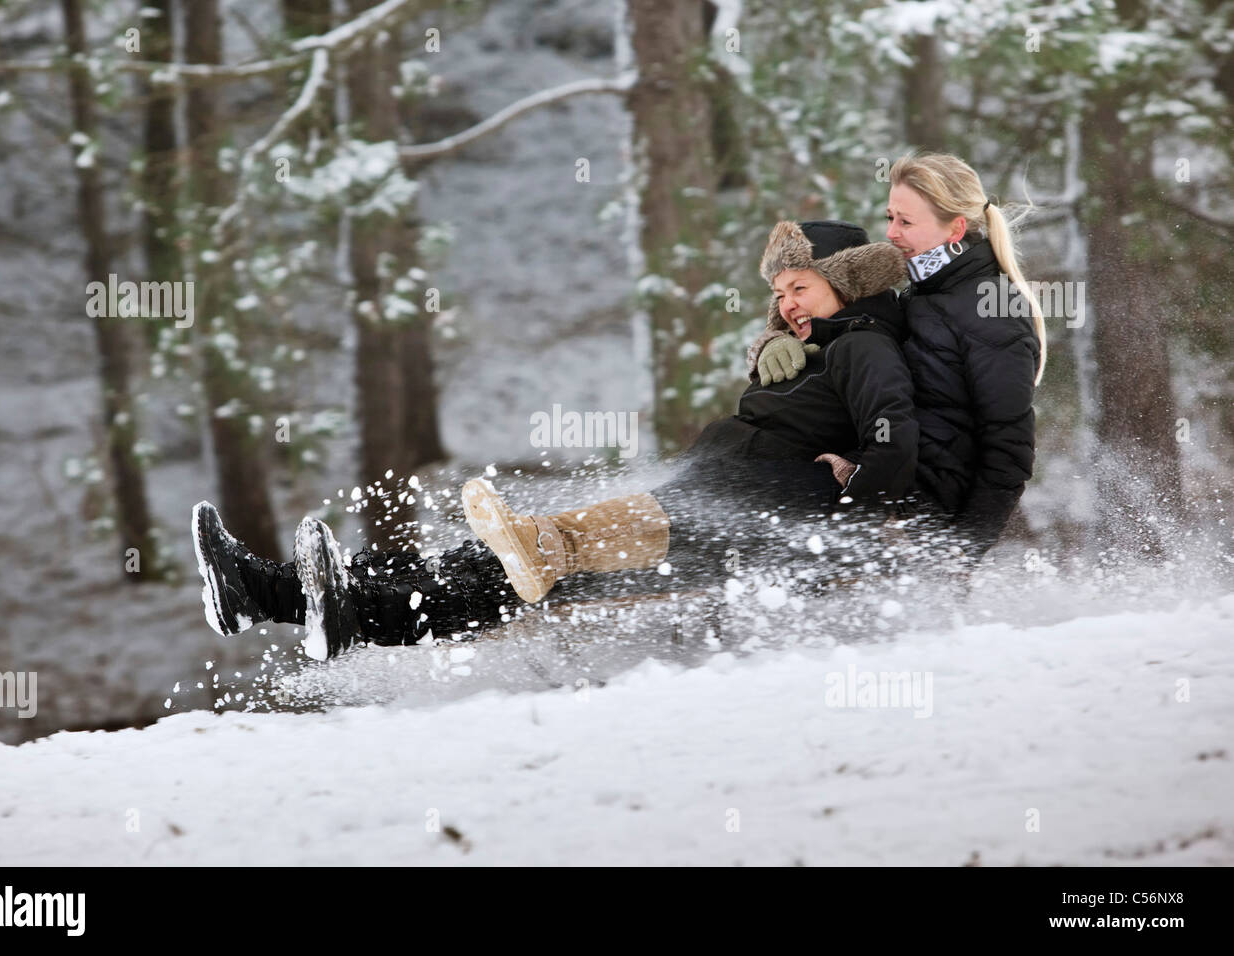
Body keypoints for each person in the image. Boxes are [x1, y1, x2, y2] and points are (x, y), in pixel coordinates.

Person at [194, 219, 918, 660]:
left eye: (802, 288)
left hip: (727, 521)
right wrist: (780, 363)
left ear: (845, 285)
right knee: (484, 574)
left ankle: (331, 600)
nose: (787, 304)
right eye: (781, 292)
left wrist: (839, 521)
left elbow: (895, 447)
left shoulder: (864, 349)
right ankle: (273, 594)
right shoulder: (814, 354)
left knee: (519, 562)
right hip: (702, 509)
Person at [747, 152, 1044, 559]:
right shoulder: (918, 291)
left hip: (918, 515)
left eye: (905, 222)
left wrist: (960, 552)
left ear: (956, 228)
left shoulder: (992, 311)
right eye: (890, 218)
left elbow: (1009, 452)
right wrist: (775, 339)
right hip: (875, 481)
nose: (891, 233)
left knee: (744, 504)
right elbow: (836, 323)